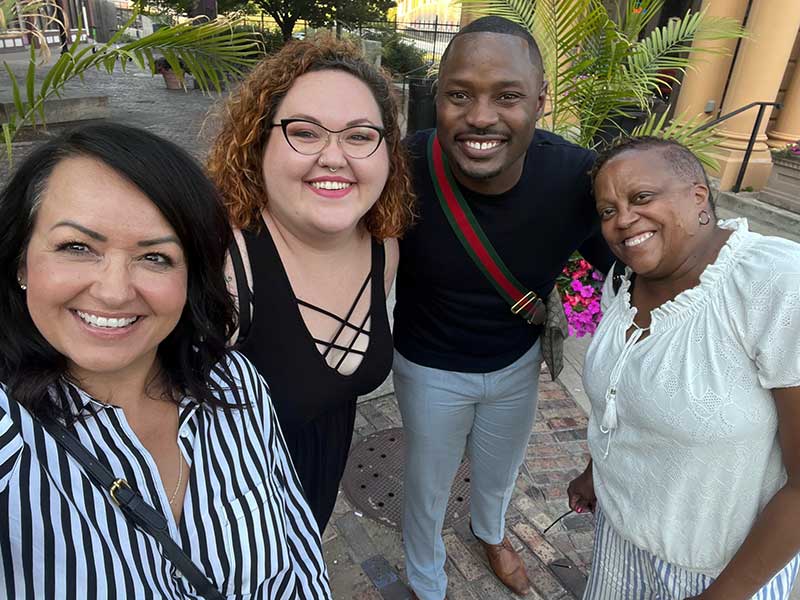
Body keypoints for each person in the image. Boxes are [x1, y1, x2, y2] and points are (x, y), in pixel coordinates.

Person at [0, 123, 331, 599]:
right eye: (77, 248)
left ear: (191, 276)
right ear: (20, 262)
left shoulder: (233, 384)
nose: (114, 291)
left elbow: (297, 550)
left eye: (155, 257)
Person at [393, 16, 613, 600]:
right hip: (428, 366)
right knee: (428, 483)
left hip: (517, 364)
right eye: (460, 95)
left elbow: (624, 261)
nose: (482, 117)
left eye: (507, 96)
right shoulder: (403, 169)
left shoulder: (575, 176)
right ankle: (426, 577)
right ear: (436, 100)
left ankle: (490, 533)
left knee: (500, 470)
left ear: (540, 101)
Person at [568, 137, 800, 599]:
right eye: (608, 210)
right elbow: (624, 392)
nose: (622, 221)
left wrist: (724, 594)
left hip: (723, 570)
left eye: (641, 198)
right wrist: (596, 472)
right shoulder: (624, 279)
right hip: (621, 536)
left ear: (698, 196)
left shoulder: (774, 282)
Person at [207, 37, 415, 533]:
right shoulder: (224, 266)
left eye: (360, 136)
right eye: (305, 132)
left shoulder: (382, 251)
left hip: (320, 479)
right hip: (232, 508)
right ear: (258, 142)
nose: (334, 157)